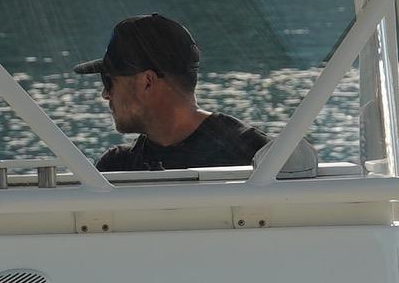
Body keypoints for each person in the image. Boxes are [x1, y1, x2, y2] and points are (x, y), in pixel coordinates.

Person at [86, 14, 268, 171]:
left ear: (147, 82)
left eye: (109, 81)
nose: (105, 94)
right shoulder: (115, 167)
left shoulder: (260, 158)